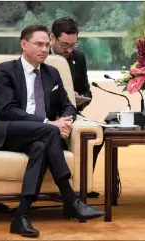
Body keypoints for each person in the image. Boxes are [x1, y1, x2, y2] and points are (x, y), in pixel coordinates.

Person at [0, 25, 105, 238]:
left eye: (47, 45)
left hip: (37, 135)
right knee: (49, 132)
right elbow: (7, 110)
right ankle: (70, 199)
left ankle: (21, 215)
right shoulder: (6, 70)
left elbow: (68, 104)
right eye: (39, 44)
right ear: (24, 45)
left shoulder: (52, 73)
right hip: (8, 131)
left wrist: (65, 120)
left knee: (40, 146)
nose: (44, 49)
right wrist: (48, 122)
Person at [50, 17, 104, 198]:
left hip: (71, 112)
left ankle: (82, 184)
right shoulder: (39, 55)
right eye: (64, 45)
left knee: (97, 133)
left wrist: (79, 100)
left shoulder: (78, 58)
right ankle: (59, 187)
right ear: (52, 38)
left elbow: (86, 92)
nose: (69, 50)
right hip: (46, 114)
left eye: (73, 45)